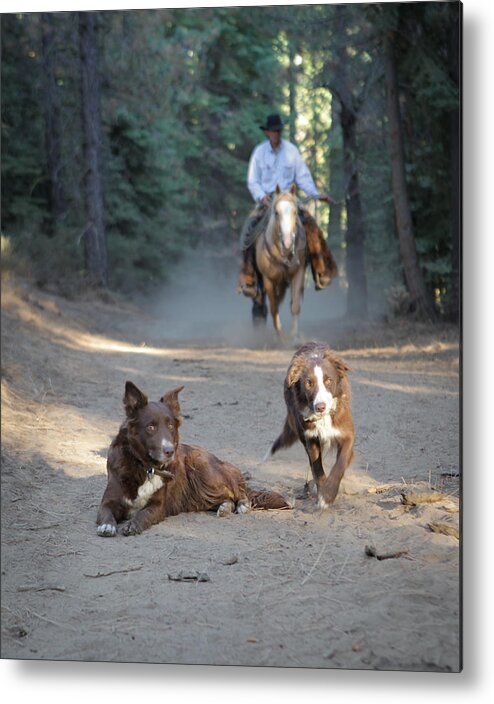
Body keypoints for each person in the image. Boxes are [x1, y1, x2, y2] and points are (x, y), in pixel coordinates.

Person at [238, 113, 337, 298]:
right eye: (273, 131)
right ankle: (248, 279)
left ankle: (321, 272)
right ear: (267, 132)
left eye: (278, 130)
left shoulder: (291, 151)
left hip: (289, 202)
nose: (276, 133)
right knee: (248, 231)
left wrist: (316, 194)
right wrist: (262, 197)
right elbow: (253, 181)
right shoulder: (259, 153)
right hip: (266, 202)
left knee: (312, 228)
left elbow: (303, 177)